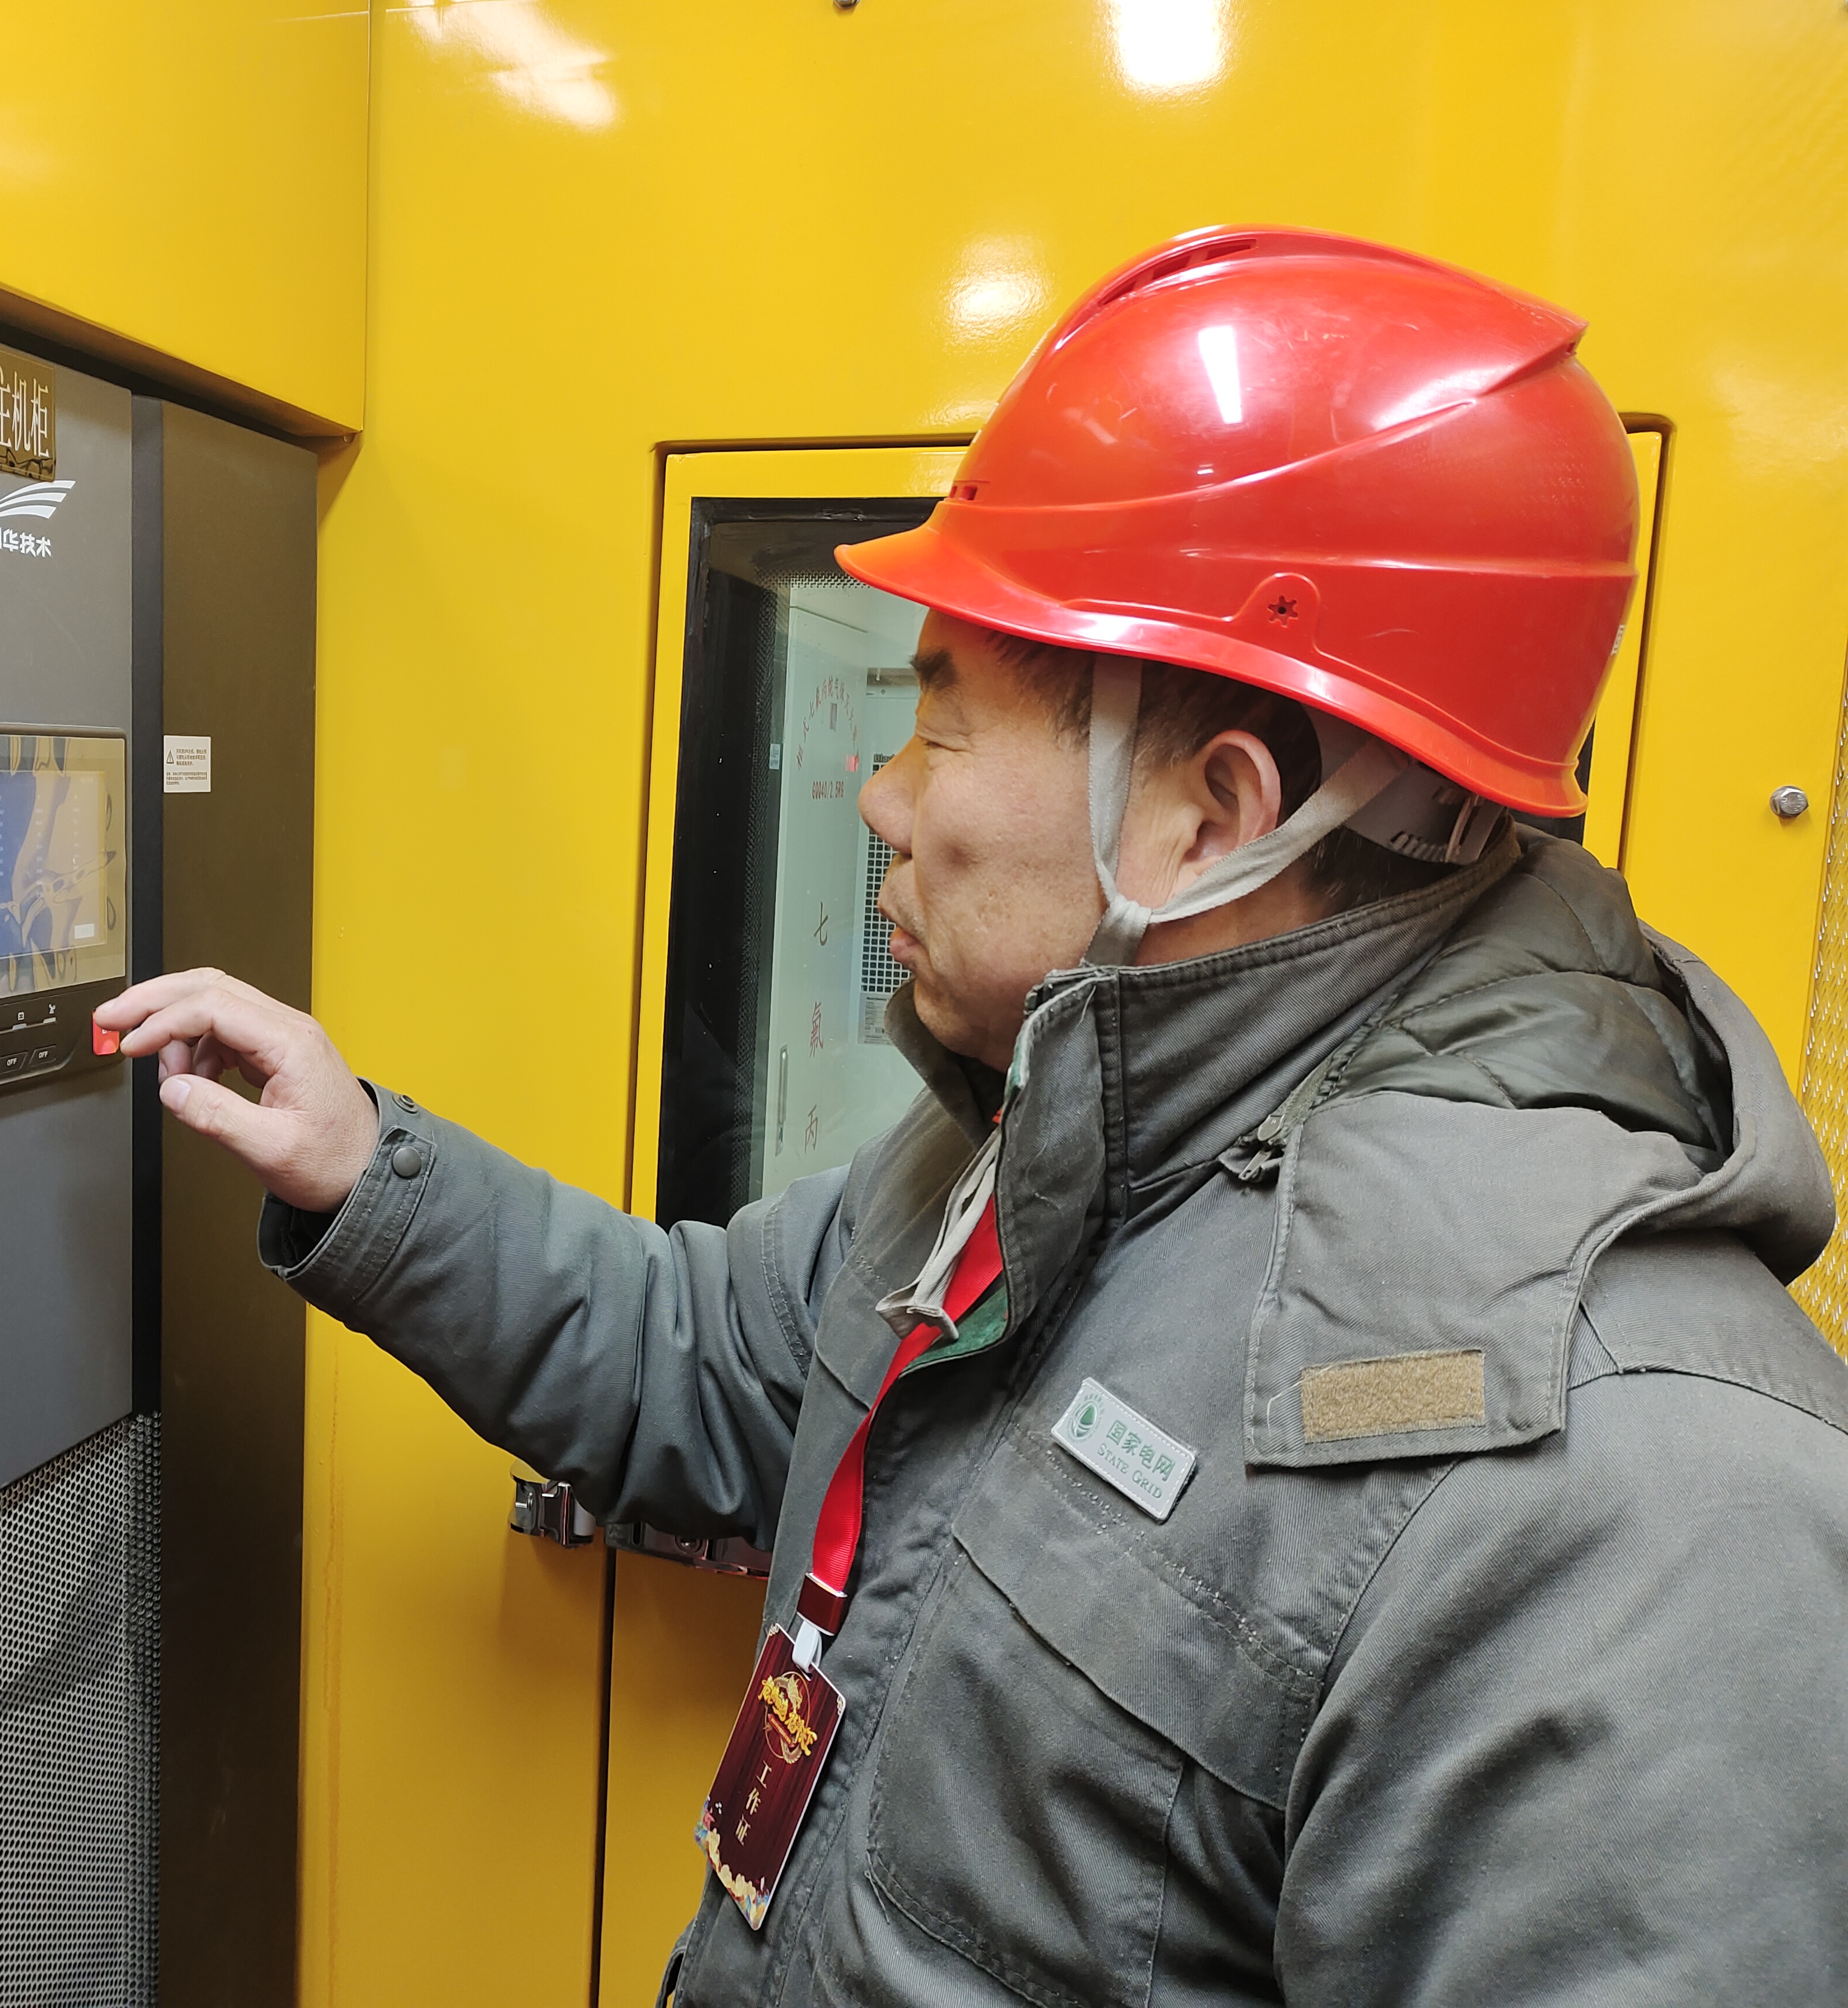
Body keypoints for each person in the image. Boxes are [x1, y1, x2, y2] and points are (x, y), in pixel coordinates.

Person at [95, 228, 1848, 2005]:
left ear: (1210, 815)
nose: (880, 797)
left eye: (937, 728)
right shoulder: (1049, 1133)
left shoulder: (1643, 1502)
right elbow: (713, 1361)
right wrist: (365, 1168)